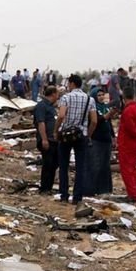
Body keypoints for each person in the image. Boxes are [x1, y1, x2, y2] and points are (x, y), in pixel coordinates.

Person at [55, 75, 97, 205]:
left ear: (72, 84)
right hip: (81, 135)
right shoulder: (89, 99)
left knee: (63, 166)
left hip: (66, 134)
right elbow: (94, 121)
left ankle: (64, 195)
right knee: (80, 167)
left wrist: (56, 130)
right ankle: (77, 197)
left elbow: (61, 115)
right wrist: (88, 135)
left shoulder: (66, 97)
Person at [84, 89, 114, 196]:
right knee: (95, 165)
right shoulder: (92, 107)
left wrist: (113, 137)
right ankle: (90, 190)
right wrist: (107, 116)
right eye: (99, 95)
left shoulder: (105, 107)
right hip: (96, 139)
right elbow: (96, 120)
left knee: (105, 166)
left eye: (102, 94)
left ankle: (104, 189)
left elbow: (109, 123)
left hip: (106, 140)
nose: (101, 97)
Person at [34, 86, 59, 193]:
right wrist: (44, 139)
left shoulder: (52, 107)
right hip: (46, 139)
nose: (58, 96)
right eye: (57, 94)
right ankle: (44, 188)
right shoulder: (41, 106)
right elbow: (41, 123)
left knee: (54, 163)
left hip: (54, 140)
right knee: (48, 164)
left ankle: (49, 187)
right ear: (53, 94)